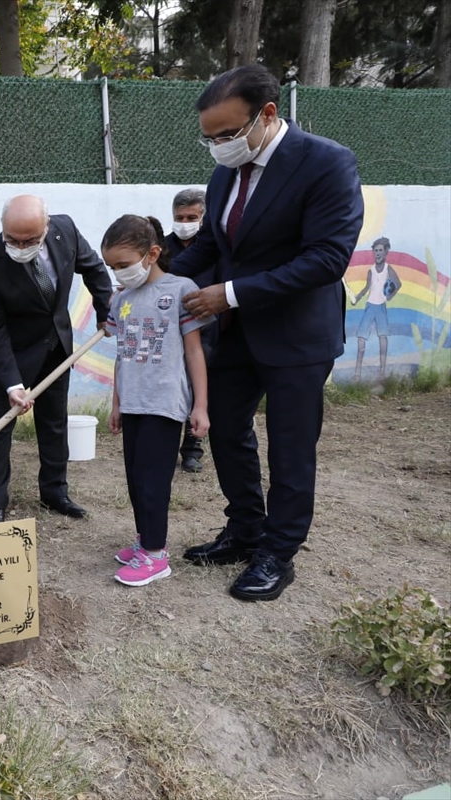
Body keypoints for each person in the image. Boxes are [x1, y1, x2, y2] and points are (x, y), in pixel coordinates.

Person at [172, 64, 364, 602]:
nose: (218, 147)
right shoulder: (224, 174)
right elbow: (212, 245)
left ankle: (278, 553)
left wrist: (229, 294)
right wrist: (155, 285)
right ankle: (245, 529)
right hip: (237, 335)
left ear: (268, 114)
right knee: (227, 429)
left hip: (297, 336)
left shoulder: (326, 163)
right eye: (209, 138)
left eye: (228, 135)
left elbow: (326, 259)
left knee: (291, 446)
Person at [0, 194, 113, 525]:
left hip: (56, 348)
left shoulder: (66, 231)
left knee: (53, 422)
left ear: (46, 228)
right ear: (3, 230)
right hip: (9, 356)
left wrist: (106, 312)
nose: (20, 246)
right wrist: (12, 384)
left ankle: (55, 492)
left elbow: (93, 269)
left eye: (30, 240)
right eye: (12, 240)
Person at [102, 215, 211, 586]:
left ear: (151, 254)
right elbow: (121, 355)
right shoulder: (121, 299)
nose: (118, 273)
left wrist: (200, 406)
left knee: (154, 481)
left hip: (164, 403)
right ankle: (143, 540)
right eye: (111, 267)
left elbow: (195, 353)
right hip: (132, 402)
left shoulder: (181, 290)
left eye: (123, 265)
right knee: (135, 479)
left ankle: (156, 555)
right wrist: (116, 403)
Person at [165, 187, 210, 474]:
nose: (185, 222)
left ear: (203, 217)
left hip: (206, 329)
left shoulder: (212, 247)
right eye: (179, 217)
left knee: (199, 389)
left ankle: (192, 448)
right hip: (169, 331)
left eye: (191, 217)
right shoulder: (162, 247)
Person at [351, 237, 402, 380]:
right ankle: (357, 373)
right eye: (375, 251)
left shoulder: (388, 269)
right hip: (370, 306)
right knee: (361, 339)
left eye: (380, 250)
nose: (378, 253)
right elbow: (367, 288)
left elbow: (398, 283)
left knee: (383, 338)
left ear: (386, 252)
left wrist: (389, 295)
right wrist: (357, 297)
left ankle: (382, 372)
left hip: (381, 307)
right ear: (373, 252)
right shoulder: (371, 271)